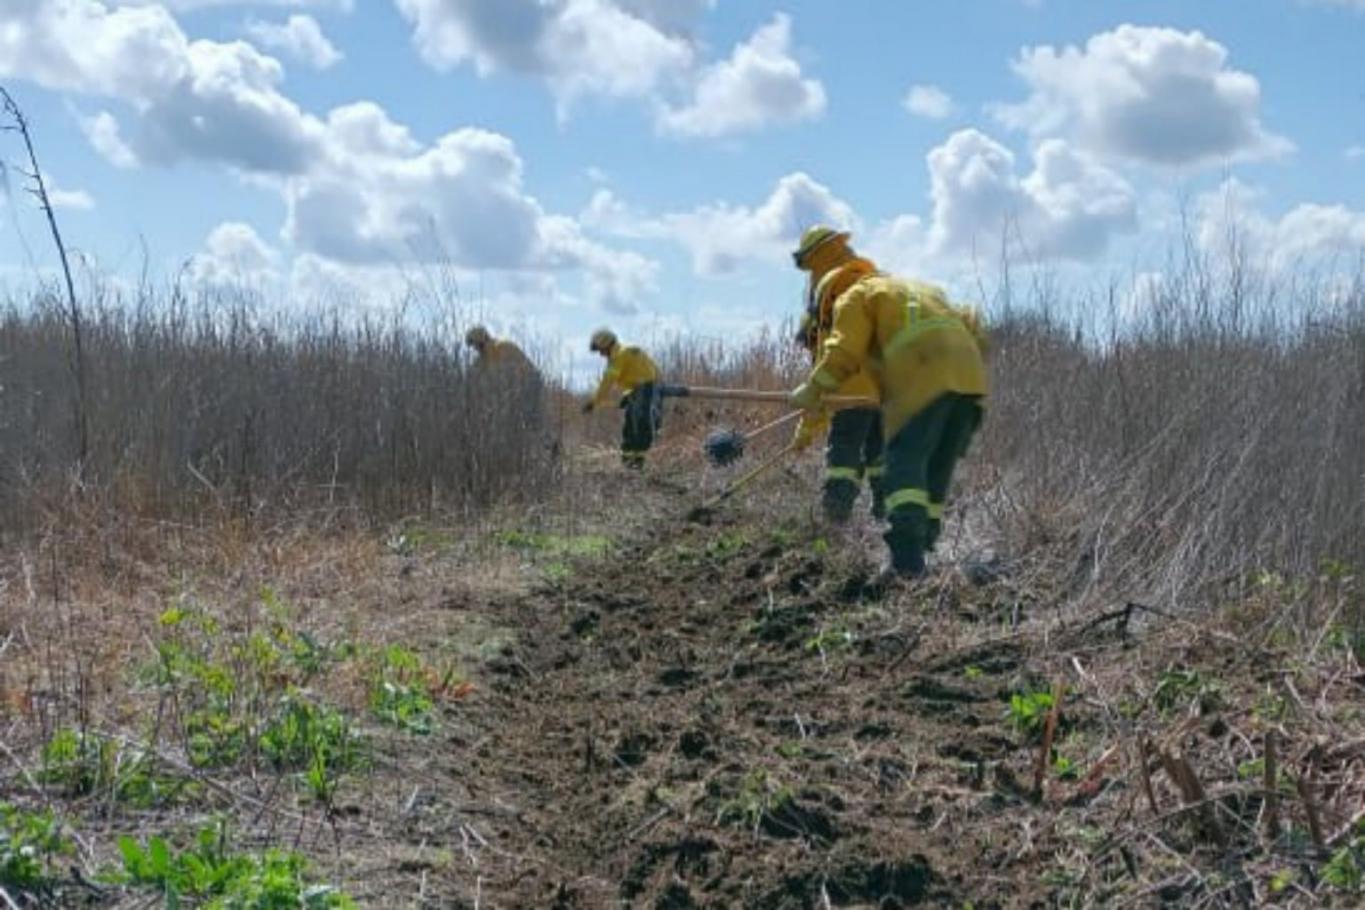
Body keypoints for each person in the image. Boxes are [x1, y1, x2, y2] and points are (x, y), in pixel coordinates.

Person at [789, 226, 988, 582]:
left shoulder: (852, 296)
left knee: (904, 464)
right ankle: (925, 553)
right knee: (934, 466)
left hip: (923, 372)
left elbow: (843, 353)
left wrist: (813, 388)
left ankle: (906, 566)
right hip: (969, 373)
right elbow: (971, 320)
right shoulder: (911, 289)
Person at [791, 229, 885, 523]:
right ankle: (887, 523)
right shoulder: (871, 281)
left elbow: (829, 362)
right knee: (880, 458)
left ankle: (835, 521)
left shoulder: (831, 290)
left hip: (851, 392)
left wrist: (806, 427)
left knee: (843, 457)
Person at [583, 328, 662, 470]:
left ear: (607, 345)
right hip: (642, 388)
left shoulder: (619, 356)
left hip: (643, 388)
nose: (601, 354)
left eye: (601, 350)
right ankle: (629, 461)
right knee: (631, 424)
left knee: (638, 424)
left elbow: (607, 382)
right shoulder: (629, 351)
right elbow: (652, 369)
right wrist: (629, 394)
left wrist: (593, 402)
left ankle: (637, 462)